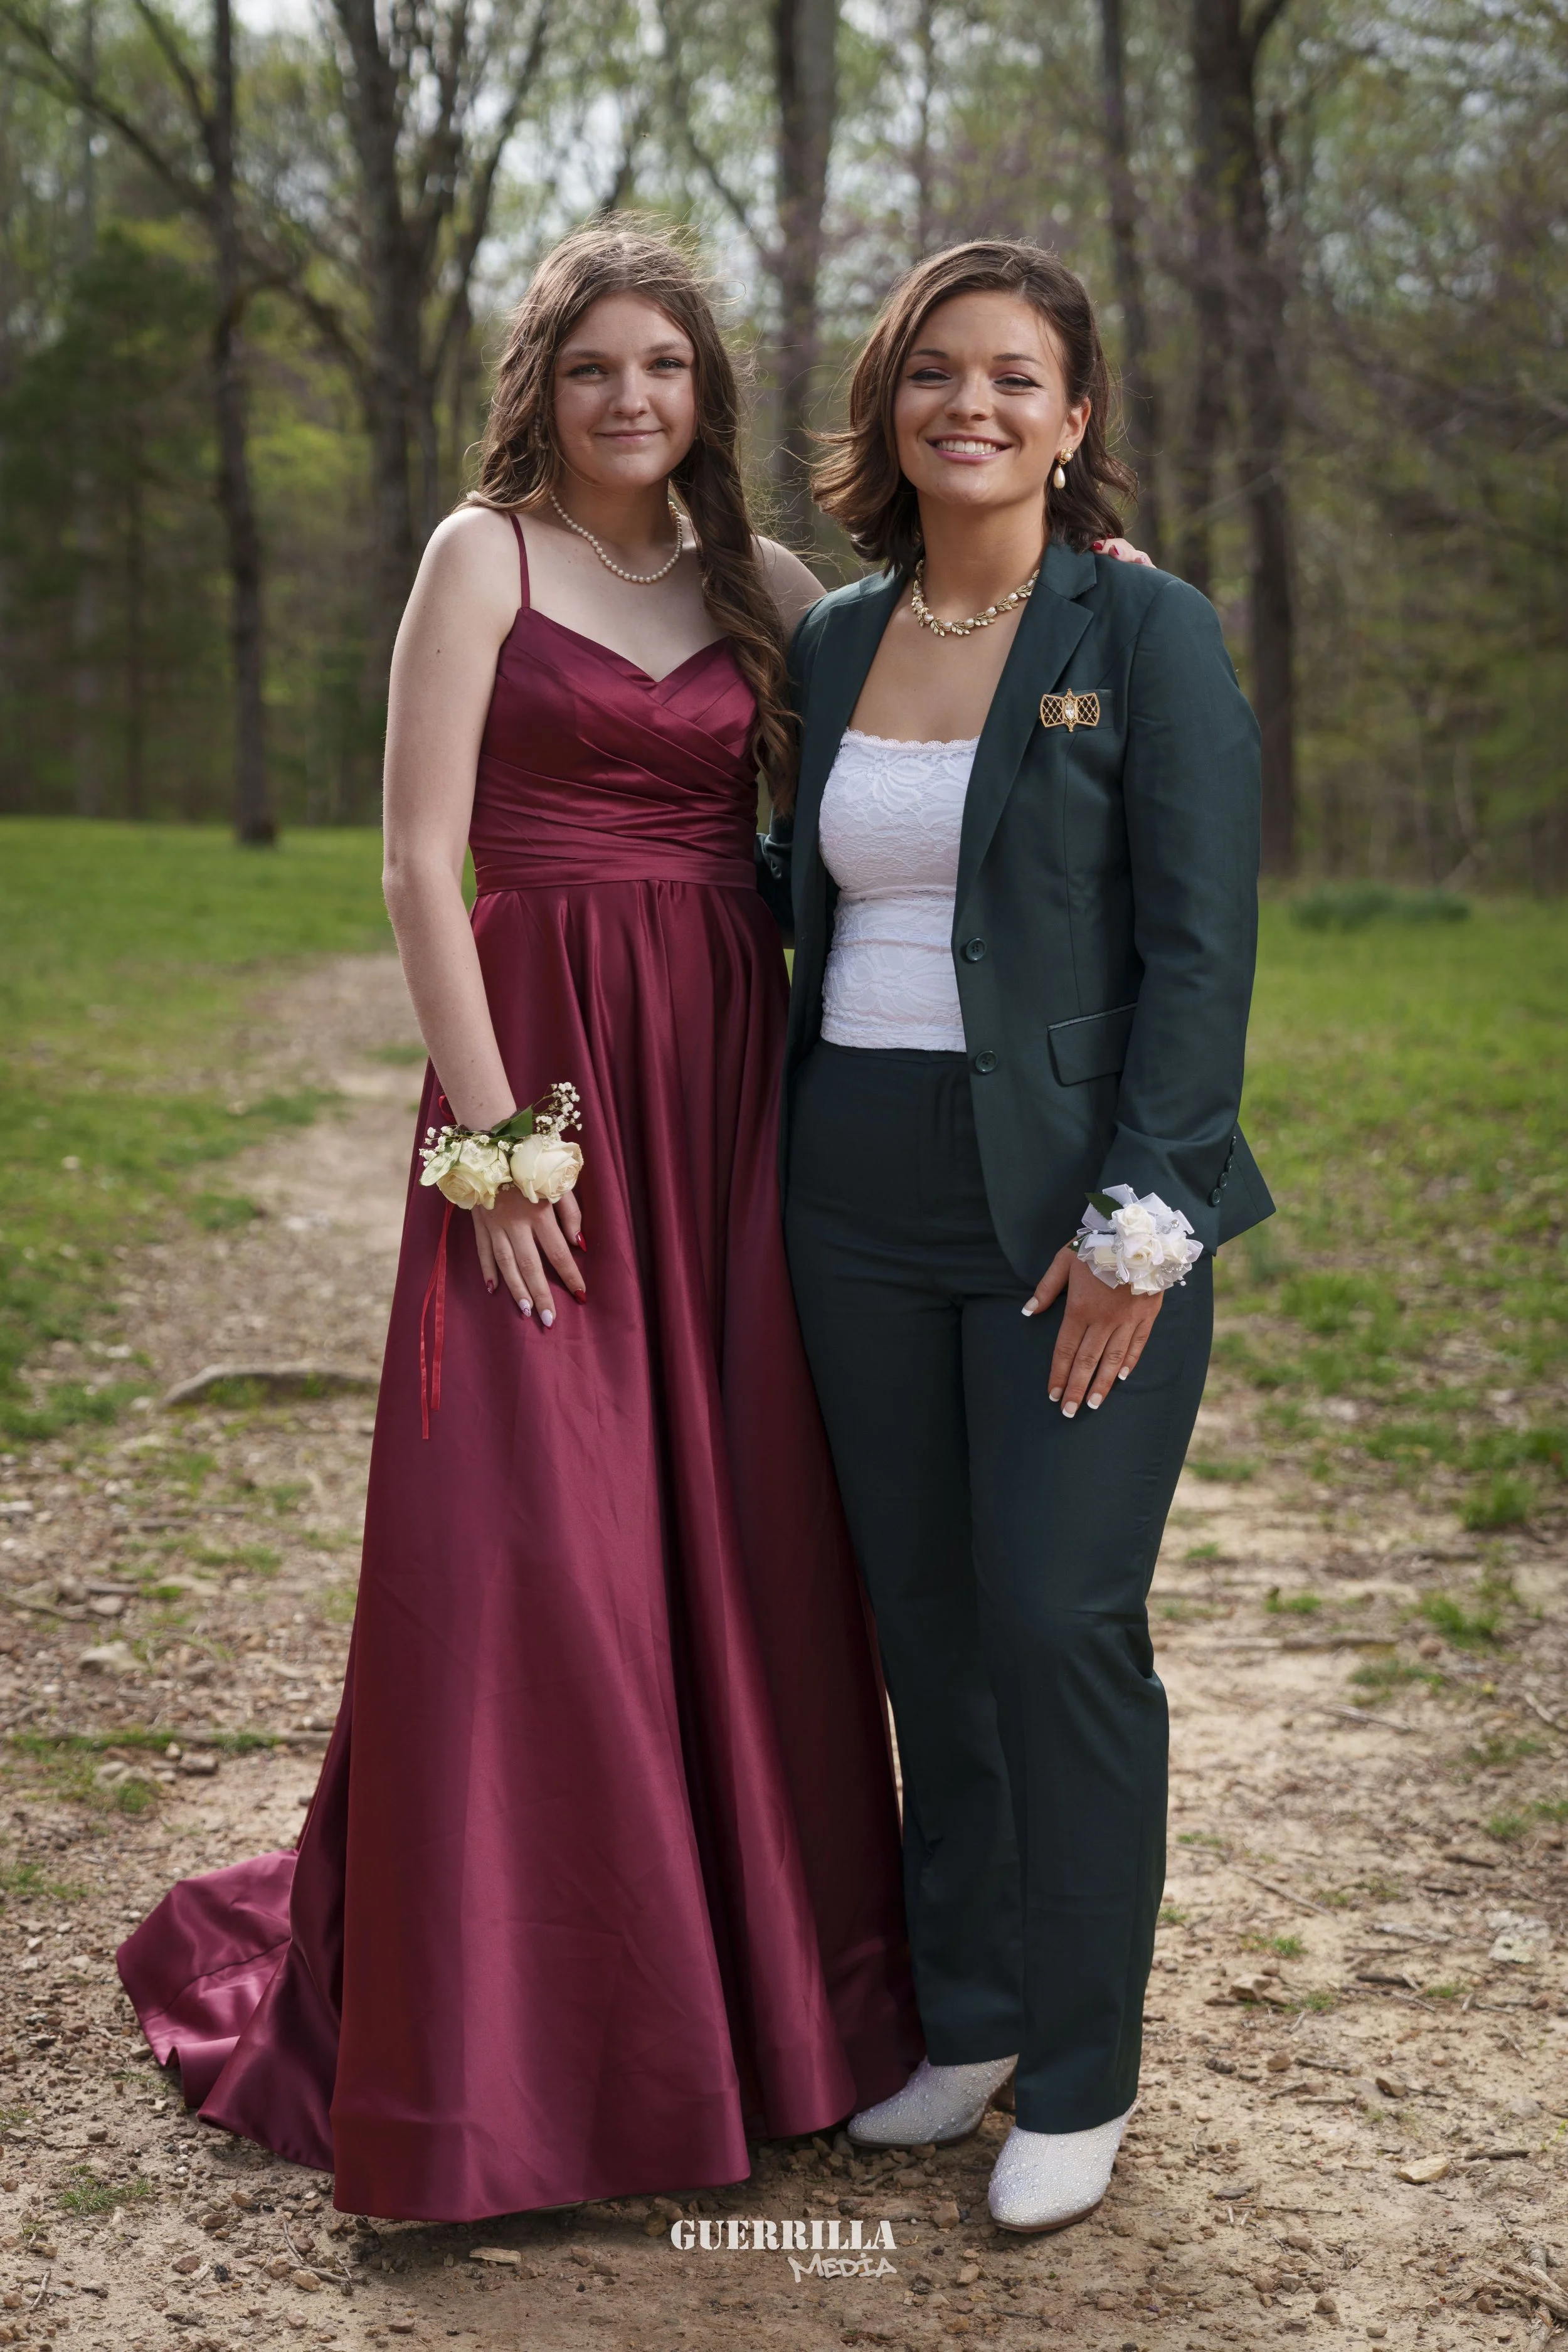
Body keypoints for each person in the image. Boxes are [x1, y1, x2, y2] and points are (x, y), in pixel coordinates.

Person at [117, 222, 926, 2222]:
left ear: (705, 391)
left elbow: (922, 745)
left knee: (736, 1527)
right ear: (540, 387)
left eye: (663, 365)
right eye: (592, 368)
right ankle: (507, 2054)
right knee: (522, 1538)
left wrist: (1091, 591)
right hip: (544, 1064)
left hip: (731, 1080)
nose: (630, 398)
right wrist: (493, 1148)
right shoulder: (480, 554)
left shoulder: (769, 590)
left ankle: (762, 2013)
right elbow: (413, 861)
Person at [776, 238, 1274, 2234]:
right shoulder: (829, 638)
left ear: (1074, 422)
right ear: (889, 409)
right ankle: (967, 2012)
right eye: (931, 375)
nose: (966, 405)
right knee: (927, 1623)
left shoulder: (1141, 631)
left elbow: (1201, 944)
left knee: (1059, 1615)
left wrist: (1142, 1219)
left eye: (1011, 378)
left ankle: (1080, 2064)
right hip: (846, 1184)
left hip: (1072, 1197)